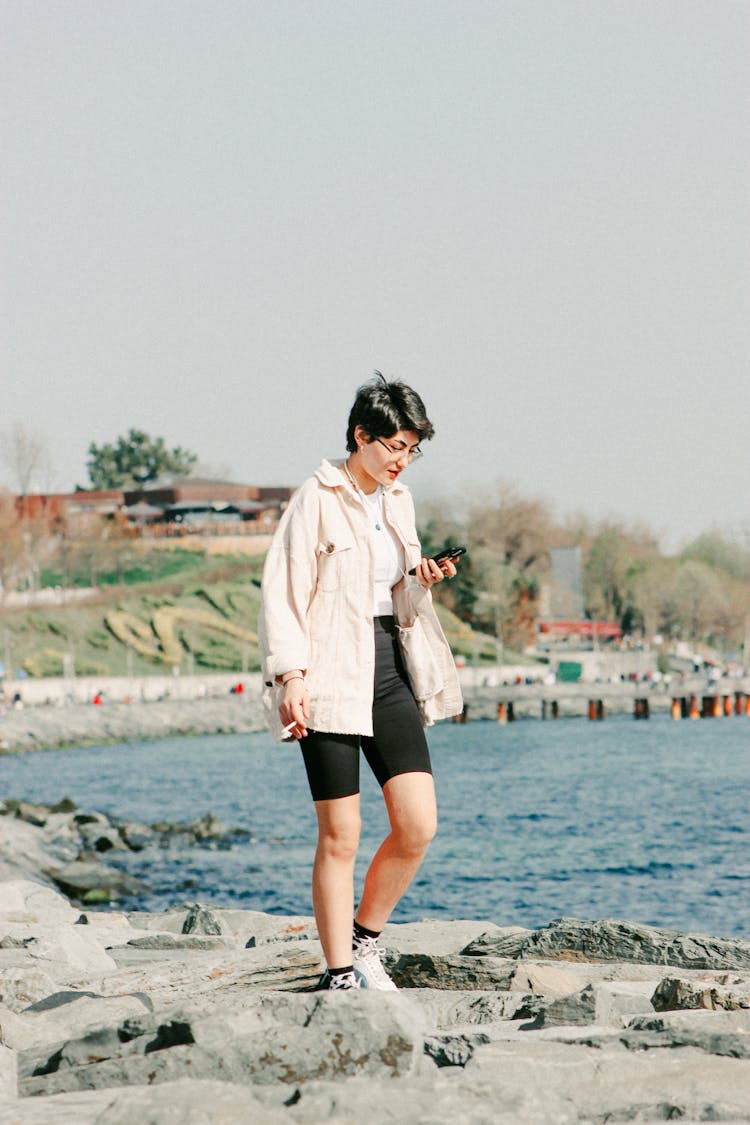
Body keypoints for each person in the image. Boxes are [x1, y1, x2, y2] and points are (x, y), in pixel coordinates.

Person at [259, 373, 462, 990]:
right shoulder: (315, 498)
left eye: (412, 449)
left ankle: (365, 939)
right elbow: (283, 594)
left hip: (388, 664)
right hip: (325, 673)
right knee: (340, 834)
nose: (403, 461)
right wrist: (290, 675)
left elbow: (392, 597)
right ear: (361, 435)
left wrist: (422, 579)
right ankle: (339, 973)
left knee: (417, 823)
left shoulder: (398, 502)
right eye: (395, 446)